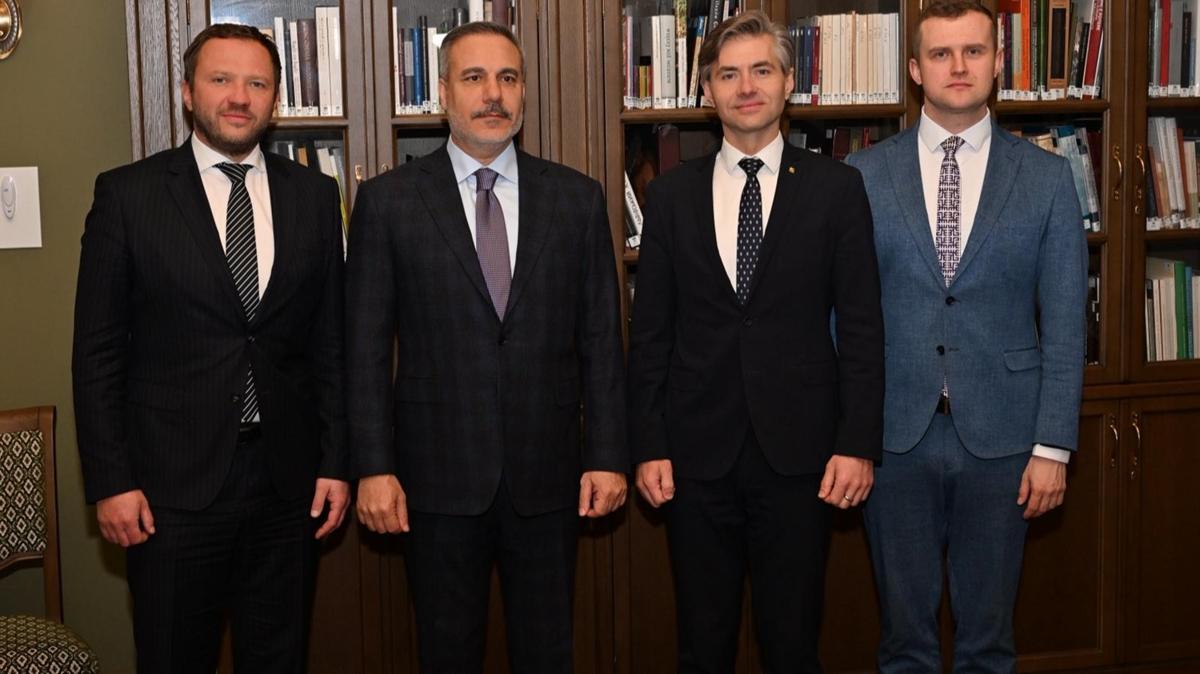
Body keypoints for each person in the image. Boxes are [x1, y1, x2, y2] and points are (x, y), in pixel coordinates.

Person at [345, 21, 628, 674]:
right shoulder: (389, 203)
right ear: (443, 92)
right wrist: (373, 467)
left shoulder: (576, 199)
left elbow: (601, 341)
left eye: (507, 78)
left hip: (550, 477)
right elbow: (363, 348)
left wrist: (608, 455)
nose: (493, 94)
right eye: (474, 78)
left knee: (548, 653)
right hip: (433, 480)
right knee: (445, 653)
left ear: (524, 91)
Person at [72, 23, 349, 674]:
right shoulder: (129, 195)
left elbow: (330, 343)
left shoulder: (314, 196)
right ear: (188, 92)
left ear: (274, 99)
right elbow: (97, 353)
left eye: (257, 83)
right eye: (221, 79)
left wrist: (338, 462)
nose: (239, 97)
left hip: (287, 485)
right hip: (169, 491)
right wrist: (112, 482)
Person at [626, 10, 884, 673]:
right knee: (702, 645)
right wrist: (648, 443)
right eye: (728, 74)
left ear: (788, 82)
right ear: (706, 90)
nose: (746, 87)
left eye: (761, 71)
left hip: (802, 457)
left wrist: (857, 443)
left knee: (792, 644)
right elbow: (650, 333)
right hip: (695, 456)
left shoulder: (836, 188)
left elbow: (861, 327)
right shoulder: (671, 196)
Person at [844, 1, 1087, 670]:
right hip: (891, 440)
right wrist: (848, 436)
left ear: (998, 62)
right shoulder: (862, 176)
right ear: (915, 69)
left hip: (1006, 443)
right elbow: (842, 319)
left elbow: (1066, 322)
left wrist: (1054, 447)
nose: (959, 66)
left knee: (988, 642)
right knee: (904, 642)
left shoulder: (1046, 178)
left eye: (974, 51)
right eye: (942, 54)